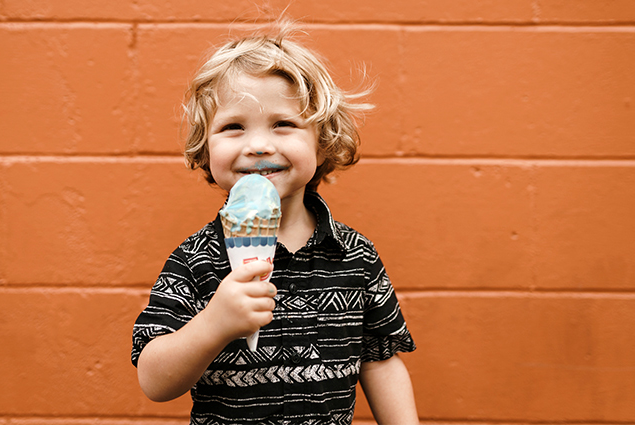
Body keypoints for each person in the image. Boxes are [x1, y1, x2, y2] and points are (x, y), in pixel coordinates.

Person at [131, 21, 419, 425]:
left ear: (322, 143)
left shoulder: (356, 257)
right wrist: (214, 324)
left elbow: (380, 362)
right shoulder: (195, 259)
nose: (258, 144)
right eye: (233, 127)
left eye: (283, 124)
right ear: (205, 148)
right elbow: (154, 380)